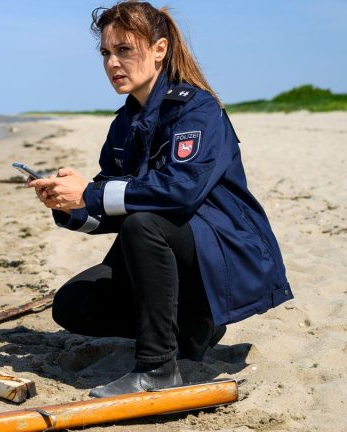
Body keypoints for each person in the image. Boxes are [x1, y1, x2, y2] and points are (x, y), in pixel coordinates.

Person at [27, 1, 292, 398]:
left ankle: (157, 368)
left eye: (124, 50)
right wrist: (71, 206)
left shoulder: (197, 108)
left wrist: (91, 193)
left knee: (143, 223)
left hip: (223, 251)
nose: (113, 63)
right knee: (71, 306)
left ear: (159, 49)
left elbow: (180, 192)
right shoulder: (125, 122)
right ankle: (192, 326)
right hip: (169, 247)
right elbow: (113, 203)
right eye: (106, 52)